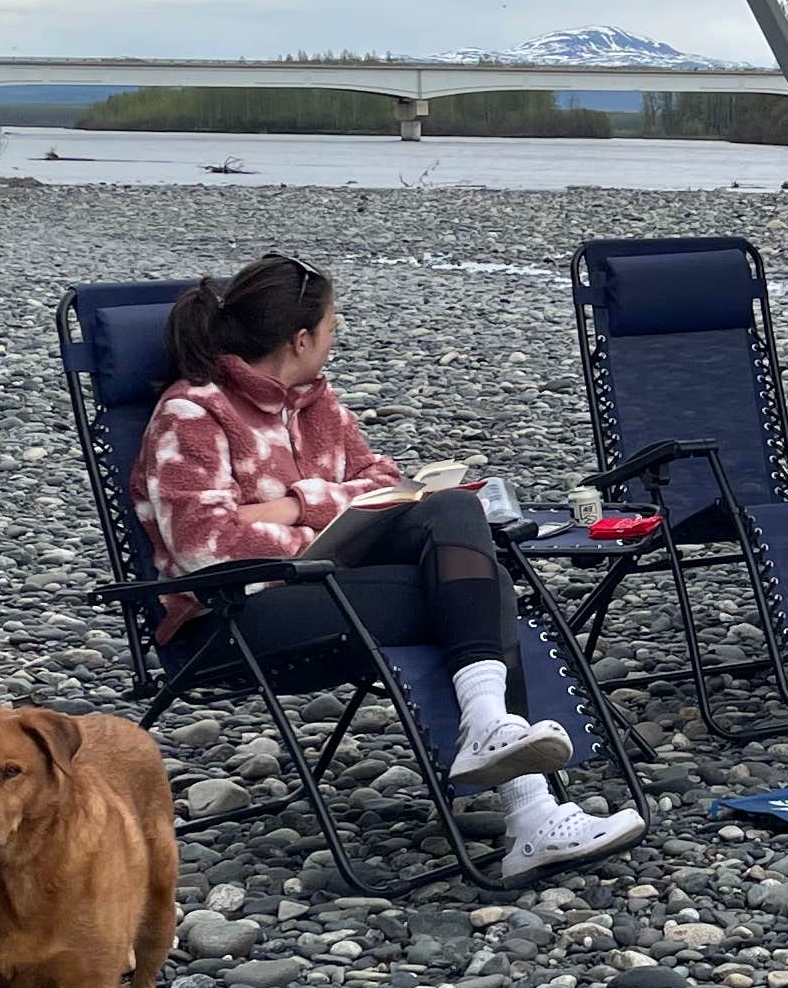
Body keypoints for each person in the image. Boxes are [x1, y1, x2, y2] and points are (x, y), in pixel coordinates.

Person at [133, 253, 645, 876]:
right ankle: (530, 812)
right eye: (331, 329)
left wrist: (293, 507)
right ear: (300, 339)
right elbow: (203, 544)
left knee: (453, 514)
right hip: (230, 617)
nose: (335, 338)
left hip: (330, 590)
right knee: (474, 590)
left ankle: (490, 727)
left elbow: (383, 482)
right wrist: (323, 547)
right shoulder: (192, 413)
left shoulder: (317, 406)